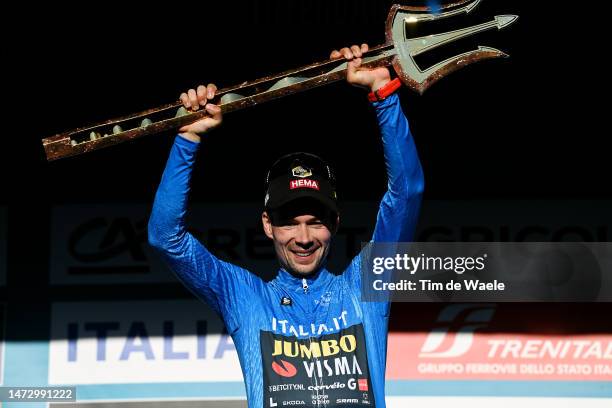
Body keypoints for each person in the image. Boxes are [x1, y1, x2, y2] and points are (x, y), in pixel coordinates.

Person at [148, 44, 424, 408]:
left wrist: (383, 94)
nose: (304, 238)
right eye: (290, 223)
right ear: (267, 224)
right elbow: (166, 238)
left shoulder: (364, 287)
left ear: (335, 223)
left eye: (315, 222)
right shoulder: (244, 297)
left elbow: (406, 194)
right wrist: (188, 138)